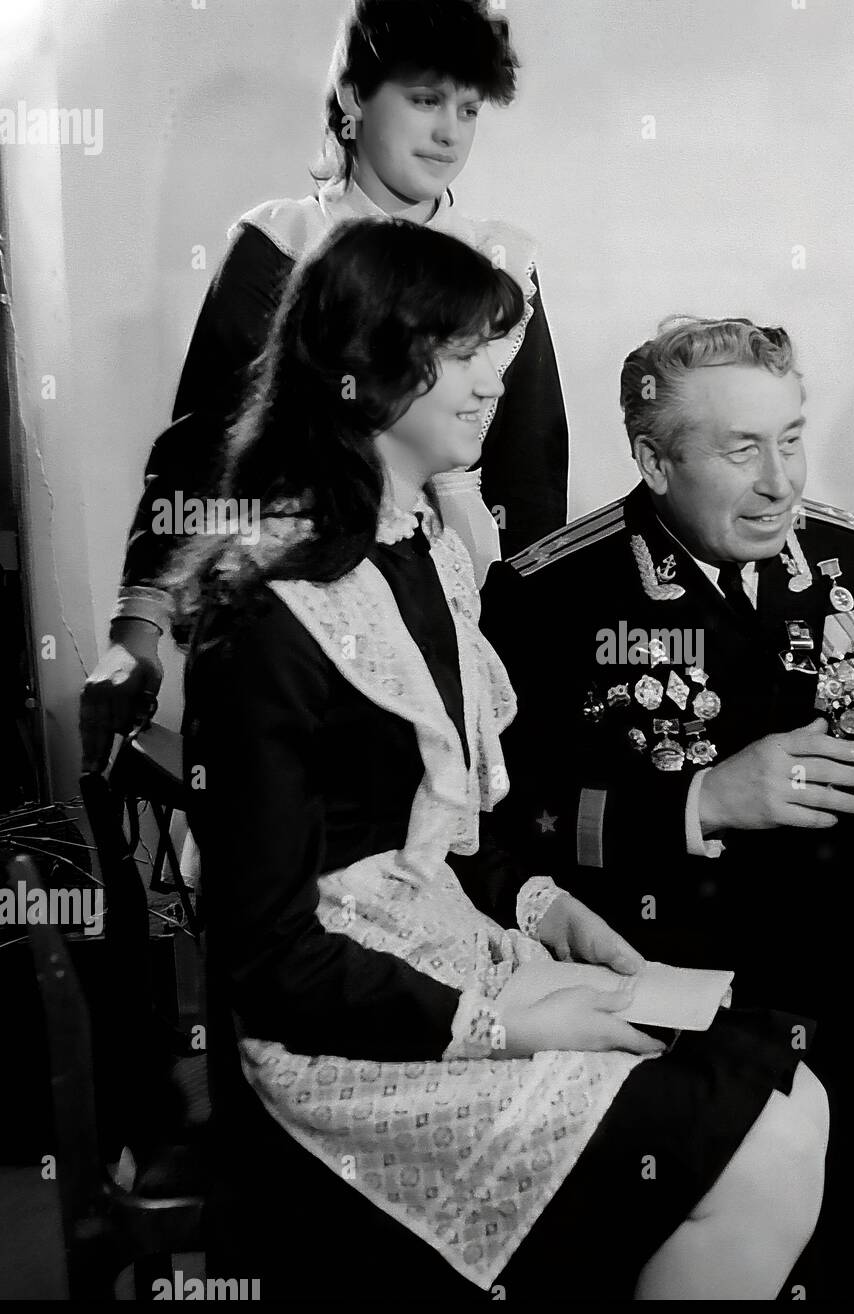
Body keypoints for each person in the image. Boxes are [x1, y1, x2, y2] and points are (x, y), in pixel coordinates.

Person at [177, 220, 827, 1301]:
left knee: (786, 1094)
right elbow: (269, 959)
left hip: (443, 951)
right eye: (466, 351)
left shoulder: (422, 549)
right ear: (371, 366)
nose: (498, 376)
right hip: (339, 1034)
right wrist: (508, 1020)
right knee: (760, 1136)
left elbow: (438, 839)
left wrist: (542, 907)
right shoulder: (263, 604)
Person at [479, 315, 854, 1289]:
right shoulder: (549, 592)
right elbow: (505, 831)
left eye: (791, 439)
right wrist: (700, 803)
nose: (779, 482)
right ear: (652, 457)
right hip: (677, 990)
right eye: (739, 450)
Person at [81, 0, 567, 774]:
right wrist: (137, 624)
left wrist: (539, 637)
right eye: (424, 99)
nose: (449, 132)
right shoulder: (283, 244)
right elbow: (204, 446)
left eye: (469, 110)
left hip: (468, 573)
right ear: (351, 96)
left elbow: (533, 467)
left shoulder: (502, 261)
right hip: (310, 565)